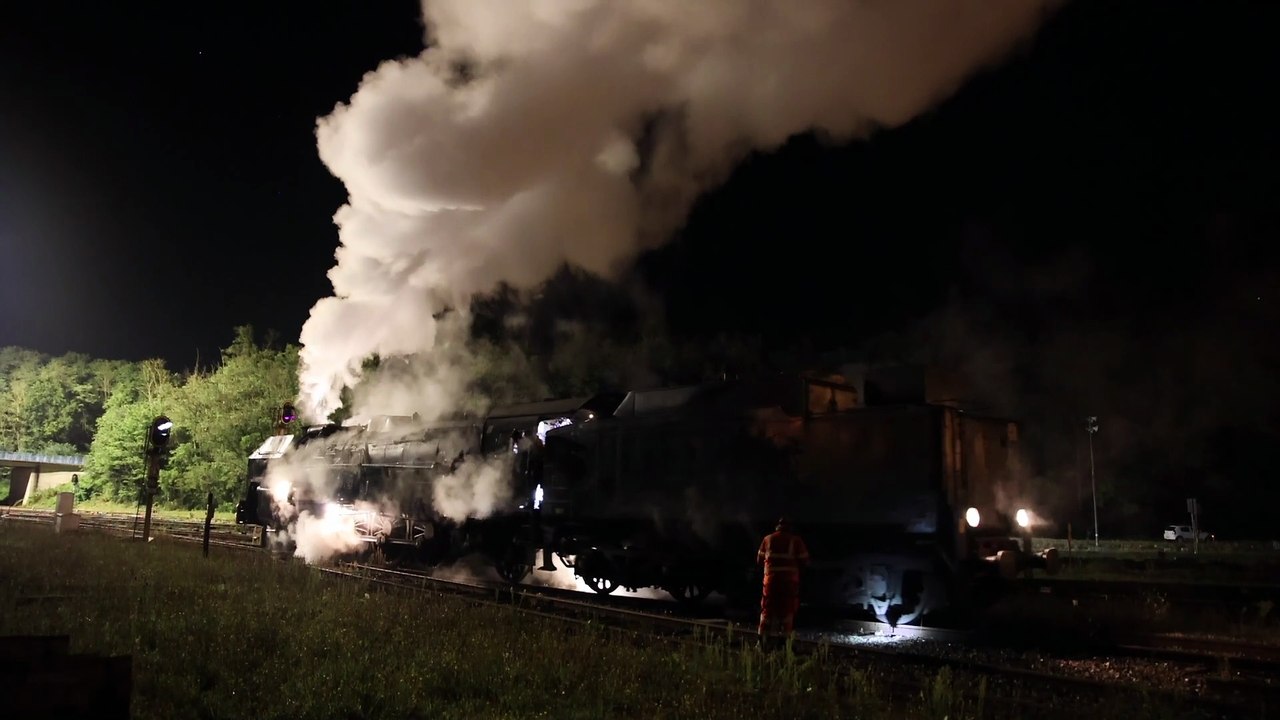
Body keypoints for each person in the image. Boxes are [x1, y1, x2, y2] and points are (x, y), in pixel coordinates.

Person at [756, 516, 810, 639]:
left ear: (777, 526)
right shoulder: (796, 540)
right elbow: (805, 561)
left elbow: (759, 560)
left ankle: (762, 641)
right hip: (789, 582)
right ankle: (784, 643)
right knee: (787, 611)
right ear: (790, 528)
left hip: (770, 582)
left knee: (767, 610)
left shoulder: (767, 539)